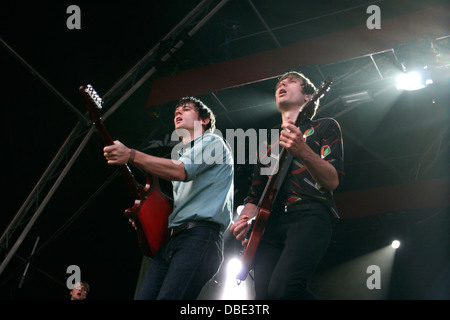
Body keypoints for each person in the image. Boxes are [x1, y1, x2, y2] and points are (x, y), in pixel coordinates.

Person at [103, 96, 234, 300]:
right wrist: (146, 218)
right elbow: (174, 201)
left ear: (205, 120)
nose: (178, 113)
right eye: (176, 112)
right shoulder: (181, 154)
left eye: (186, 109)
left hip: (200, 237)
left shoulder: (213, 141)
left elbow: (181, 171)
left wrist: (131, 155)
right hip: (174, 240)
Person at [230, 71, 345, 299]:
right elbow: (254, 197)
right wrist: (244, 221)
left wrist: (302, 150)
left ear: (309, 96)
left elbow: (332, 180)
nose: (282, 84)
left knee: (283, 290)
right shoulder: (265, 145)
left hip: (309, 215)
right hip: (269, 224)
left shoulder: (325, 127)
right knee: (263, 296)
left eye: (292, 81)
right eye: (279, 84)